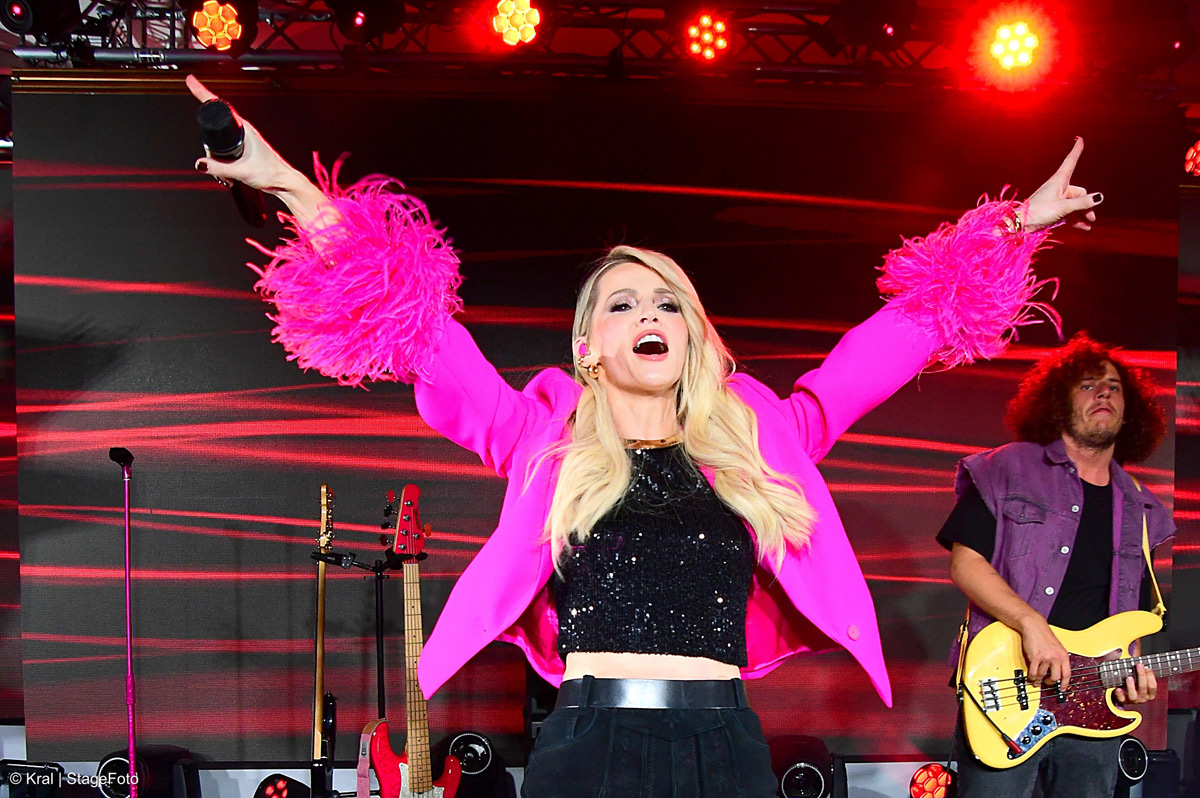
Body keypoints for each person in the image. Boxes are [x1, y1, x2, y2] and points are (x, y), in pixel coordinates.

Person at [186, 75, 1104, 796]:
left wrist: (1015, 224)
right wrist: (290, 185)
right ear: (588, 345)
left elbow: (889, 343)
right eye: (622, 304)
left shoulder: (758, 433)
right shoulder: (542, 435)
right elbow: (420, 330)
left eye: (668, 302)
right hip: (585, 740)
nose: (649, 314)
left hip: (723, 739)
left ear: (694, 334)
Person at [937, 333, 1174, 798]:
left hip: (1094, 708)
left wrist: (1130, 675)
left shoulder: (1141, 505)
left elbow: (1133, 617)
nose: (1103, 393)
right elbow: (965, 564)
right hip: (1009, 688)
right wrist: (1032, 625)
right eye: (1087, 385)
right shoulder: (1008, 468)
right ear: (1058, 404)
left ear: (1130, 409)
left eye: (1113, 387)